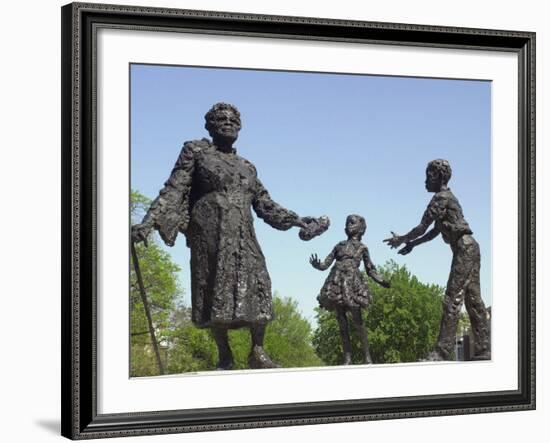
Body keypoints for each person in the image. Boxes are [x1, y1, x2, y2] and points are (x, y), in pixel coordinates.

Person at [132, 103, 329, 370]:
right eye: (221, 119)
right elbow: (174, 188)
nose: (228, 123)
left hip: (243, 233)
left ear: (240, 127)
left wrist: (297, 220)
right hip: (210, 234)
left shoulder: (247, 166)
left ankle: (257, 351)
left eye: (233, 120)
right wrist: (147, 223)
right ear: (210, 126)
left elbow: (265, 204)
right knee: (215, 288)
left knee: (260, 283)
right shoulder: (196, 152)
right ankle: (224, 353)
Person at [384, 159, 491, 361]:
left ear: (440, 177)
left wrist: (402, 239)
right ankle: (484, 348)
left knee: (452, 298)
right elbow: (434, 231)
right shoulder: (448, 199)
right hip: (470, 248)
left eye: (429, 176)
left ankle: (442, 351)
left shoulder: (441, 198)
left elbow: (422, 227)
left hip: (464, 249)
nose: (425, 181)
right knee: (473, 300)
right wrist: (412, 245)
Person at [310, 214, 390, 365]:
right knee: (342, 322)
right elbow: (325, 264)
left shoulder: (362, 248)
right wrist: (317, 265)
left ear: (360, 228)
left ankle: (367, 356)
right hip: (336, 283)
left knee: (358, 321)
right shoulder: (339, 245)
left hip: (352, 284)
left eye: (352, 223)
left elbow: (370, 269)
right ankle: (347, 357)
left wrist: (382, 281)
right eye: (347, 223)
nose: (348, 226)